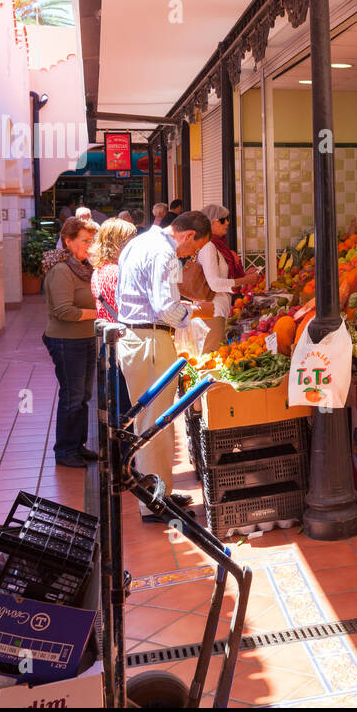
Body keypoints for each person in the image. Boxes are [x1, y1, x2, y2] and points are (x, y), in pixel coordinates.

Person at [115, 210, 214, 521]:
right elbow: (165, 308)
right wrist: (195, 312)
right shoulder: (165, 253)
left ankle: (161, 492)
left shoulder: (138, 242)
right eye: (194, 249)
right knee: (154, 425)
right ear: (186, 236)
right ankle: (154, 503)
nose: (191, 256)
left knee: (152, 422)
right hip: (150, 341)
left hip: (136, 338)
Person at [42, 216, 100, 468]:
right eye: (85, 241)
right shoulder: (61, 271)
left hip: (86, 338)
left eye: (92, 241)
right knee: (72, 396)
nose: (90, 246)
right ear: (68, 241)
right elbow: (64, 310)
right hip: (66, 341)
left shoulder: (84, 267)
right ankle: (65, 450)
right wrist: (100, 314)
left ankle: (78, 445)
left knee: (84, 395)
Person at [90, 217, 139, 418]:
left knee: (115, 409)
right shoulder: (119, 272)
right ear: (118, 243)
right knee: (127, 409)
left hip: (109, 344)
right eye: (130, 240)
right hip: (124, 344)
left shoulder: (99, 270)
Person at [197, 204, 262, 353]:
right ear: (210, 222)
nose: (227, 222)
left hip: (219, 310)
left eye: (227, 219)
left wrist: (245, 275)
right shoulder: (209, 247)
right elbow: (215, 284)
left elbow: (222, 277)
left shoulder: (219, 247)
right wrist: (245, 281)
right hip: (212, 312)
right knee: (210, 358)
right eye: (222, 220)